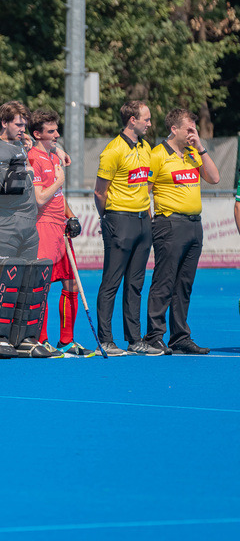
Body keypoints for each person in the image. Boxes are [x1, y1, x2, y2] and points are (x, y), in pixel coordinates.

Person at [0, 101, 53, 358]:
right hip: (4, 222)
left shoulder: (20, 146)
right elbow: (4, 185)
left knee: (28, 284)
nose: (23, 129)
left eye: (25, 124)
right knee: (1, 284)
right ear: (4, 123)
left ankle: (23, 336)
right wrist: (27, 172)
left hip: (27, 222)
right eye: (18, 124)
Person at [145, 108, 219, 355]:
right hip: (169, 224)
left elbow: (215, 178)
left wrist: (200, 146)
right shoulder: (157, 155)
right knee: (164, 281)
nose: (193, 132)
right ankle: (154, 335)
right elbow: (145, 191)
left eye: (194, 129)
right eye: (189, 128)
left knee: (184, 284)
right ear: (173, 129)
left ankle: (180, 336)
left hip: (194, 225)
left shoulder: (192, 153)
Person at [93, 100, 156, 356]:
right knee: (112, 281)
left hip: (143, 221)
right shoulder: (113, 150)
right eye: (146, 119)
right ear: (132, 120)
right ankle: (105, 339)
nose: (150, 124)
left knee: (135, 283)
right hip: (119, 219)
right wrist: (108, 218)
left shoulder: (146, 147)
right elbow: (99, 192)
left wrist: (148, 217)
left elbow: (147, 187)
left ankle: (134, 339)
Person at [27, 108, 91, 357]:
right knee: (42, 285)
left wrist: (71, 216)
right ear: (37, 134)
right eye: (51, 131)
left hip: (60, 226)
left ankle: (67, 340)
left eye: (56, 130)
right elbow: (40, 198)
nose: (56, 135)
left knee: (71, 282)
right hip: (43, 227)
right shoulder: (33, 157)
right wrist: (59, 180)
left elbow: (57, 195)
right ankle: (40, 339)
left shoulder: (54, 155)